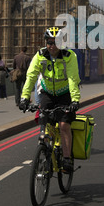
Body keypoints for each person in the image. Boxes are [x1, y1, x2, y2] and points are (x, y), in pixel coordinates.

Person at [19, 27, 81, 173]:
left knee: (64, 125)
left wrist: (75, 100)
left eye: (55, 42)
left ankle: (66, 158)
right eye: (49, 42)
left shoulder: (69, 56)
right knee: (45, 123)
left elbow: (73, 79)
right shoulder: (40, 55)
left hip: (65, 93)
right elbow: (31, 77)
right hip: (47, 93)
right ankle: (45, 150)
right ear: (45, 42)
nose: (52, 46)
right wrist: (24, 97)